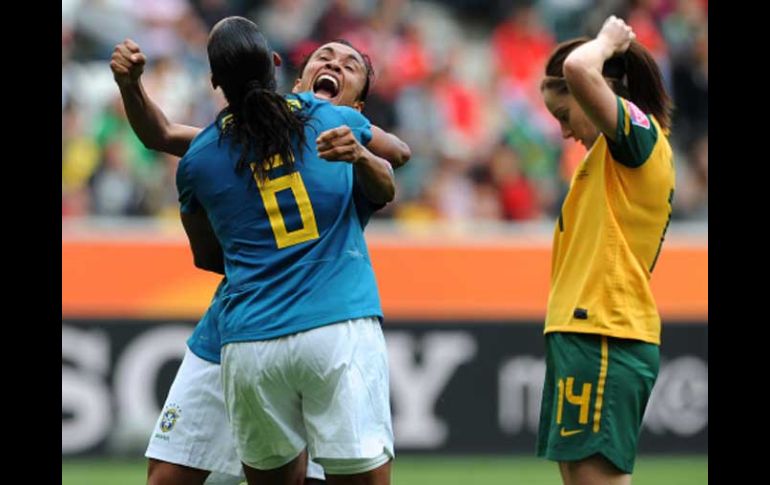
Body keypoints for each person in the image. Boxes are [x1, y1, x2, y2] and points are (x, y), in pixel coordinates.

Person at [111, 35, 409, 485]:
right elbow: (163, 134)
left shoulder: (338, 133)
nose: (334, 63)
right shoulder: (233, 134)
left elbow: (394, 162)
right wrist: (131, 86)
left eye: (351, 65)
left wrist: (360, 150)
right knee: (167, 478)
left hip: (295, 320)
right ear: (292, 76)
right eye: (324, 57)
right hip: (233, 326)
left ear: (359, 109)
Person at [536, 16, 675, 485]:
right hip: (582, 332)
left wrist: (606, 41)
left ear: (601, 91)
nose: (564, 132)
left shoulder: (638, 139)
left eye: (564, 116)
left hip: (605, 331)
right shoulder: (604, 161)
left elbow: (578, 68)